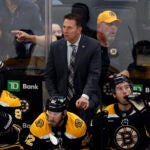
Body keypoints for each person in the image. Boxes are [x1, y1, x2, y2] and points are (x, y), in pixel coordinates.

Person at [44, 13, 101, 127]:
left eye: (69, 27)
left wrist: (85, 96)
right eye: (64, 27)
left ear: (79, 29)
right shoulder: (55, 47)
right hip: (61, 96)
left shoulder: (93, 45)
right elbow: (49, 76)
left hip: (85, 94)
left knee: (85, 109)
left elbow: (94, 75)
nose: (65, 30)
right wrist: (56, 98)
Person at [91, 74, 150, 150]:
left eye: (127, 87)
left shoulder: (145, 107)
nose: (125, 91)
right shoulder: (105, 113)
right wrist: (97, 129)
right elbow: (97, 145)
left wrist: (145, 113)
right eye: (119, 89)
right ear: (114, 94)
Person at [23, 96, 89, 150]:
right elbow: (28, 148)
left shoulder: (78, 126)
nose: (51, 118)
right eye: (49, 113)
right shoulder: (39, 126)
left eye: (55, 114)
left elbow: (85, 147)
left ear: (64, 113)